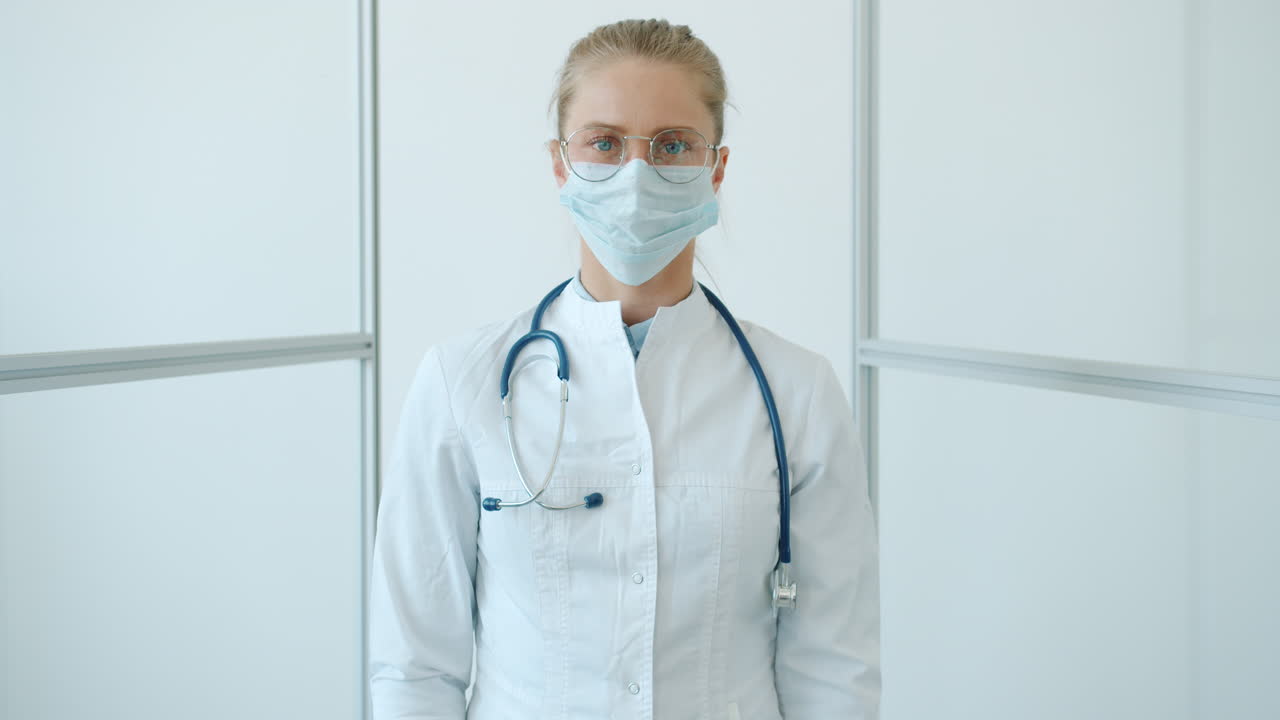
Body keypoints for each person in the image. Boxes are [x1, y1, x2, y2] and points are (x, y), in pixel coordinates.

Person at [368, 18, 880, 720]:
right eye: (604, 143)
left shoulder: (799, 393)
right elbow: (414, 667)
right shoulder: (463, 383)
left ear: (716, 169)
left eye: (672, 145)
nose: (636, 175)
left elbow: (834, 670)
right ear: (560, 162)